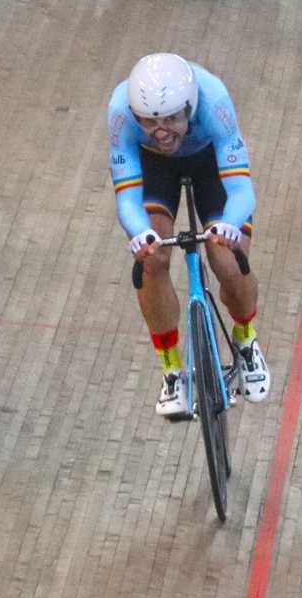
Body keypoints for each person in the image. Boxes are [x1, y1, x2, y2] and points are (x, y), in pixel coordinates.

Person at [108, 53, 268, 416]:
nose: (162, 131)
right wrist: (139, 233)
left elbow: (242, 191)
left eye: (171, 119)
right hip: (154, 169)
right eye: (149, 121)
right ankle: (172, 371)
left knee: (227, 260)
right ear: (135, 115)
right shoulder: (120, 113)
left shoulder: (215, 101)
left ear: (190, 107)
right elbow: (128, 199)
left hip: (209, 160)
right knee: (151, 261)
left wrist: (229, 224)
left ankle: (245, 340)